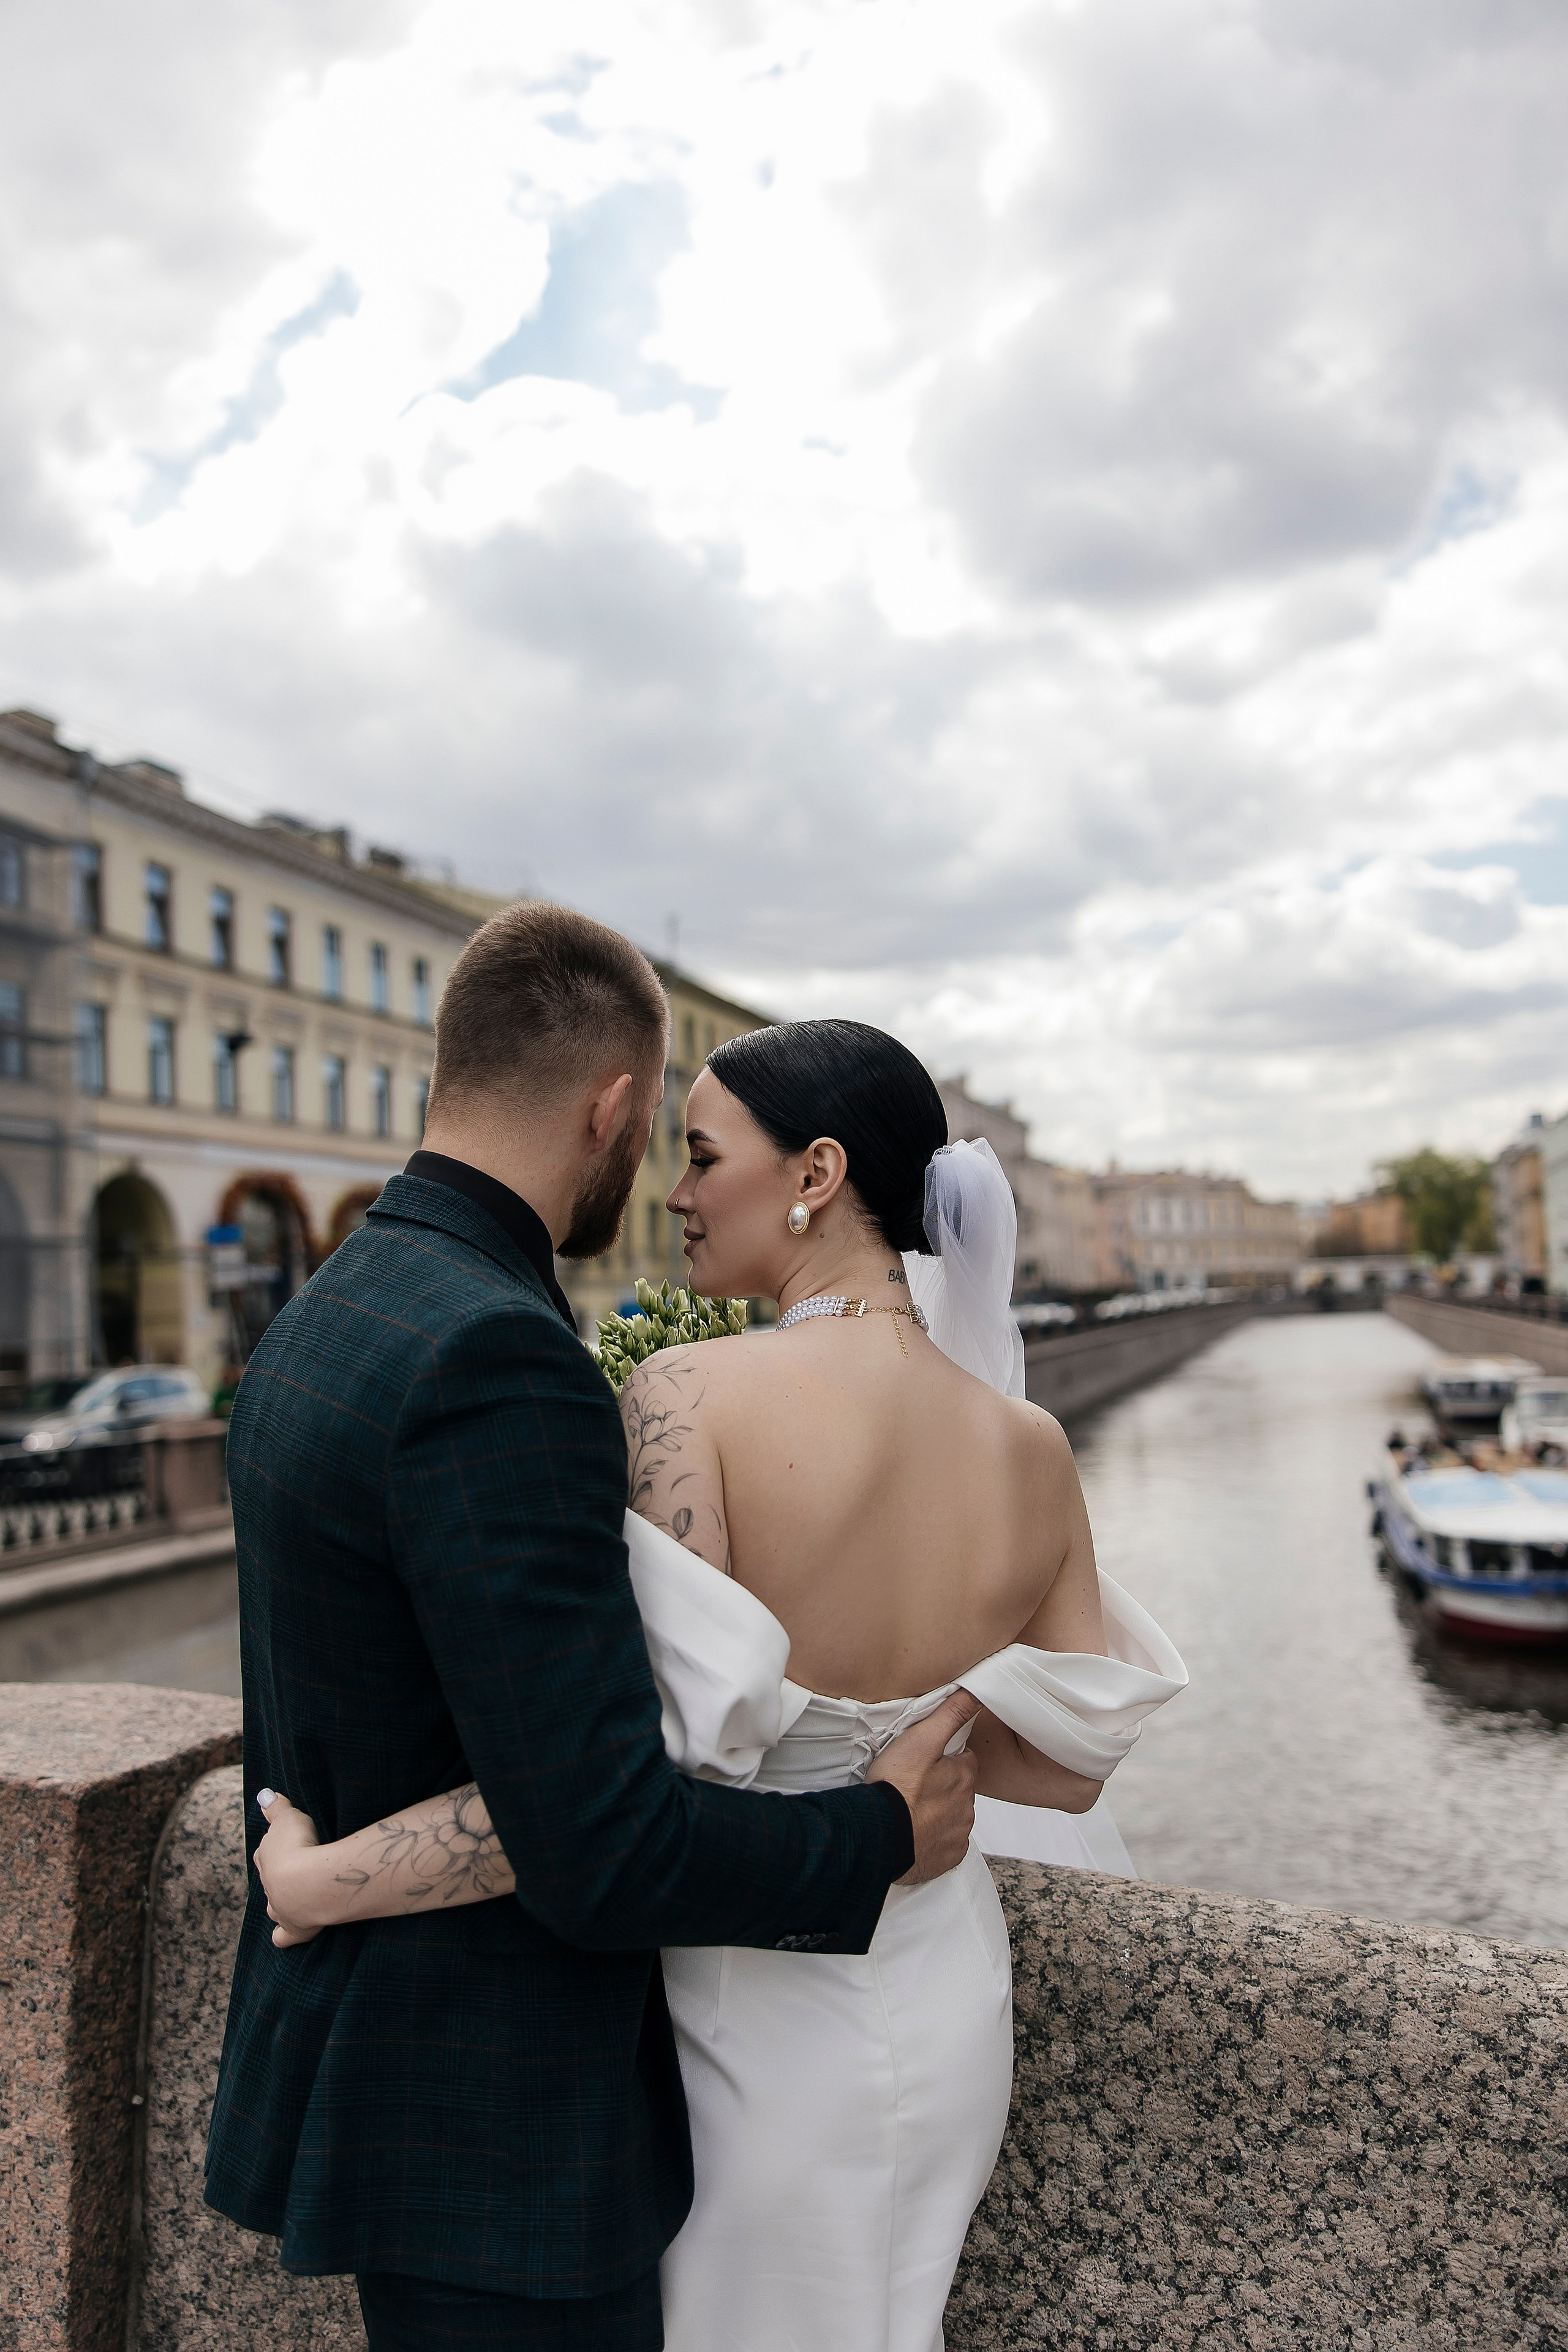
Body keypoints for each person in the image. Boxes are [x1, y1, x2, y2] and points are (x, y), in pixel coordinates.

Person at [249, 1016, 1188, 2352]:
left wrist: (326, 1879)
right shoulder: (1026, 1440)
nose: (676, 1196)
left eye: (701, 1158)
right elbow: (1065, 1763)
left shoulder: (689, 1396)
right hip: (940, 1978)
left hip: (764, 1986)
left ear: (813, 1172)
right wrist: (908, 1737)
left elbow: (618, 1789)